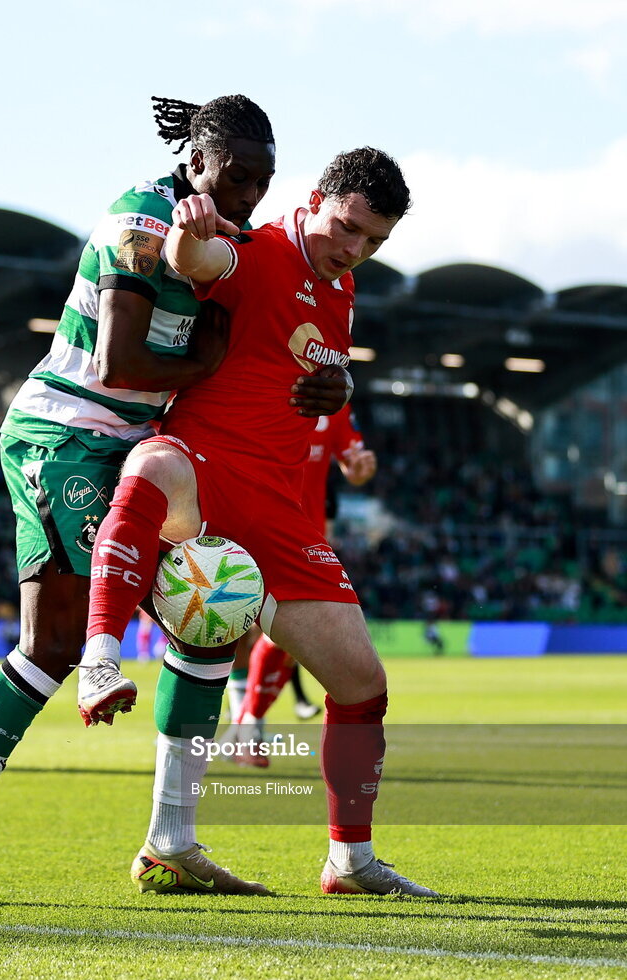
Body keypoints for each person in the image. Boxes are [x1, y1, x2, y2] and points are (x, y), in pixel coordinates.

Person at [0, 94, 350, 909]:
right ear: (197, 164)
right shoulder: (140, 222)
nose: (249, 194)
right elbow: (115, 362)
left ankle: (170, 847)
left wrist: (333, 378)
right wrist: (209, 362)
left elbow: (278, 334)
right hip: (65, 435)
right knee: (55, 643)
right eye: (235, 176)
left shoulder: (236, 238)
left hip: (134, 448)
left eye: (263, 180)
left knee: (211, 607)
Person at [84, 147, 439, 897]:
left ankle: (350, 863)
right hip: (206, 467)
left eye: (373, 242)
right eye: (347, 228)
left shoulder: (341, 292)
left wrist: (338, 386)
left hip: (280, 510)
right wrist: (187, 227)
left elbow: (310, 366)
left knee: (361, 684)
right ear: (315, 199)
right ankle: (100, 659)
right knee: (150, 465)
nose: (354, 250)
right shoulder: (262, 247)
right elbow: (200, 258)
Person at [231, 406, 378, 766]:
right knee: (231, 631)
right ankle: (224, 731)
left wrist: (360, 468)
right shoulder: (256, 378)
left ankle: (246, 729)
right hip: (244, 519)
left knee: (282, 638)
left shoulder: (333, 392)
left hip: (305, 535)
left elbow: (352, 462)